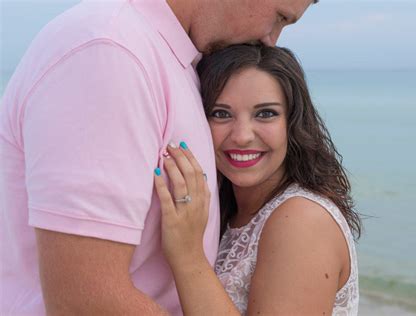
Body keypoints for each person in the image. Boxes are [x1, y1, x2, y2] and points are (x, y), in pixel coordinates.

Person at [0, 1, 315, 315]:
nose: (272, 39)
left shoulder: (167, 56)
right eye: (279, 17)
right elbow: (86, 301)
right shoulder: (110, 51)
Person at [153, 44, 362, 315]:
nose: (242, 136)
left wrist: (188, 257)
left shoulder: (303, 220)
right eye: (221, 113)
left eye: (265, 113)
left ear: (293, 124)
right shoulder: (228, 208)